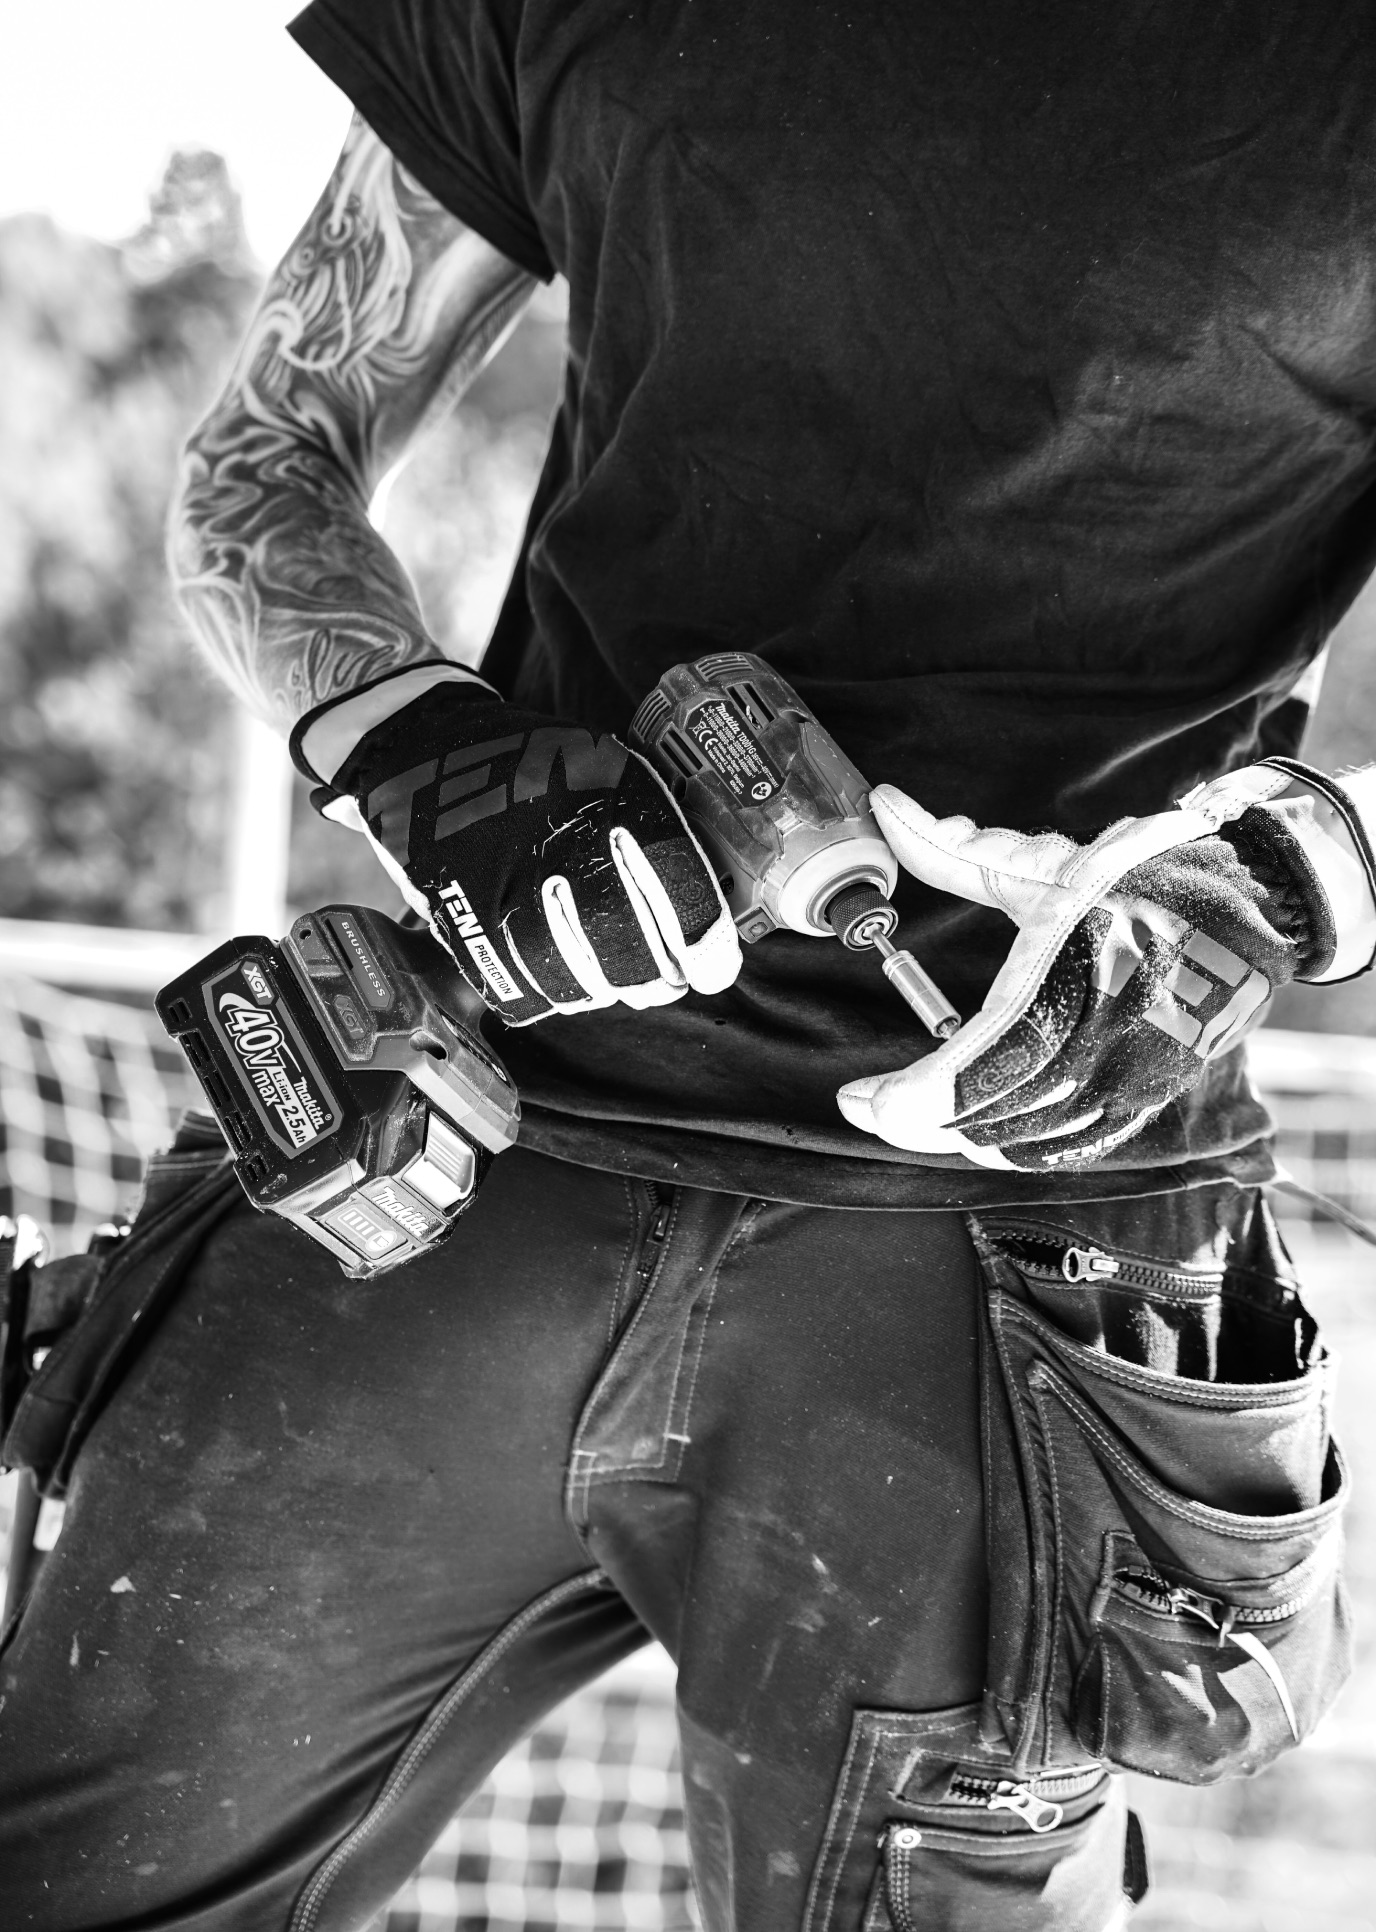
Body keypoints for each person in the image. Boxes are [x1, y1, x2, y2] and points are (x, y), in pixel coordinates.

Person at [1, 2, 1372, 1926]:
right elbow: (260, 466)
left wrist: (1281, 884)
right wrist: (413, 754)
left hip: (1021, 1288)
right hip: (447, 1149)